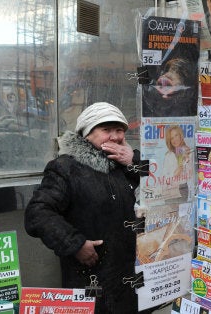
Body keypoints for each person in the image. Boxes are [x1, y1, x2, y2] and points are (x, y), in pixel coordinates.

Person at [24, 102, 143, 313]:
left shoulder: (124, 164)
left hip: (128, 278)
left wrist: (135, 161)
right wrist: (75, 244)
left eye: (119, 130)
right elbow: (38, 212)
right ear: (87, 134)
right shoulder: (66, 167)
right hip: (90, 277)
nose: (114, 137)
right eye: (106, 130)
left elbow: (164, 186)